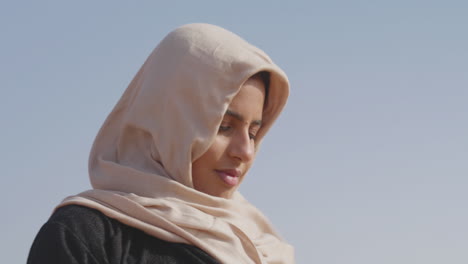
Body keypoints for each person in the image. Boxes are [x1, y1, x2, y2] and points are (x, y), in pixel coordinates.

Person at [27, 23, 295, 264]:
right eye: (223, 127)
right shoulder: (86, 235)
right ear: (168, 121)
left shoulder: (262, 246)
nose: (245, 152)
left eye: (253, 132)